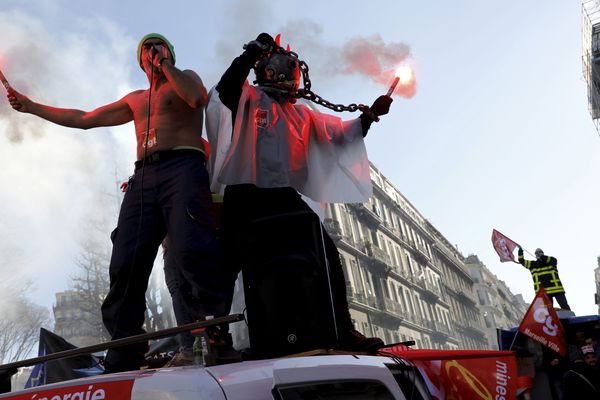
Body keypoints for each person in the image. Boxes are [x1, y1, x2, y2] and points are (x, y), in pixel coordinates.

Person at [6, 33, 229, 373]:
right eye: (146, 49)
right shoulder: (136, 99)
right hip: (143, 178)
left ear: (169, 52)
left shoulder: (186, 80)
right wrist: (32, 107)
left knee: (192, 250)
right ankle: (126, 344)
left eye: (160, 46)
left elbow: (196, 98)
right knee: (125, 260)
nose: (152, 51)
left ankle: (213, 331)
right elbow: (83, 119)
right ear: (140, 62)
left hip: (183, 166)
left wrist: (167, 65)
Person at [207, 33, 392, 351]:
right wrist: (253, 50)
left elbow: (342, 133)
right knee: (225, 263)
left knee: (327, 253)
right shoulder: (248, 98)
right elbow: (226, 88)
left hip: (282, 194)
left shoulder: (303, 114)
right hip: (244, 192)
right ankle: (215, 336)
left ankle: (343, 329)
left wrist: (369, 116)